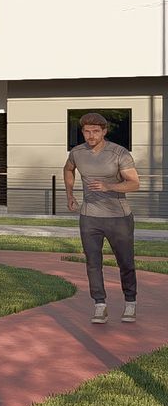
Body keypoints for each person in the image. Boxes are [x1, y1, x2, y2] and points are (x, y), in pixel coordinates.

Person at [65, 112, 141, 323]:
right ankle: (100, 305)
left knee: (125, 262)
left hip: (119, 217)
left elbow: (134, 183)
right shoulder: (77, 152)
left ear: (104, 131)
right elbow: (68, 169)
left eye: (95, 131)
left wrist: (109, 186)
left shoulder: (119, 153)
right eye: (87, 131)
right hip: (90, 217)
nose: (91, 135)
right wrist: (70, 194)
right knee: (93, 262)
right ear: (82, 132)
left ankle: (130, 302)